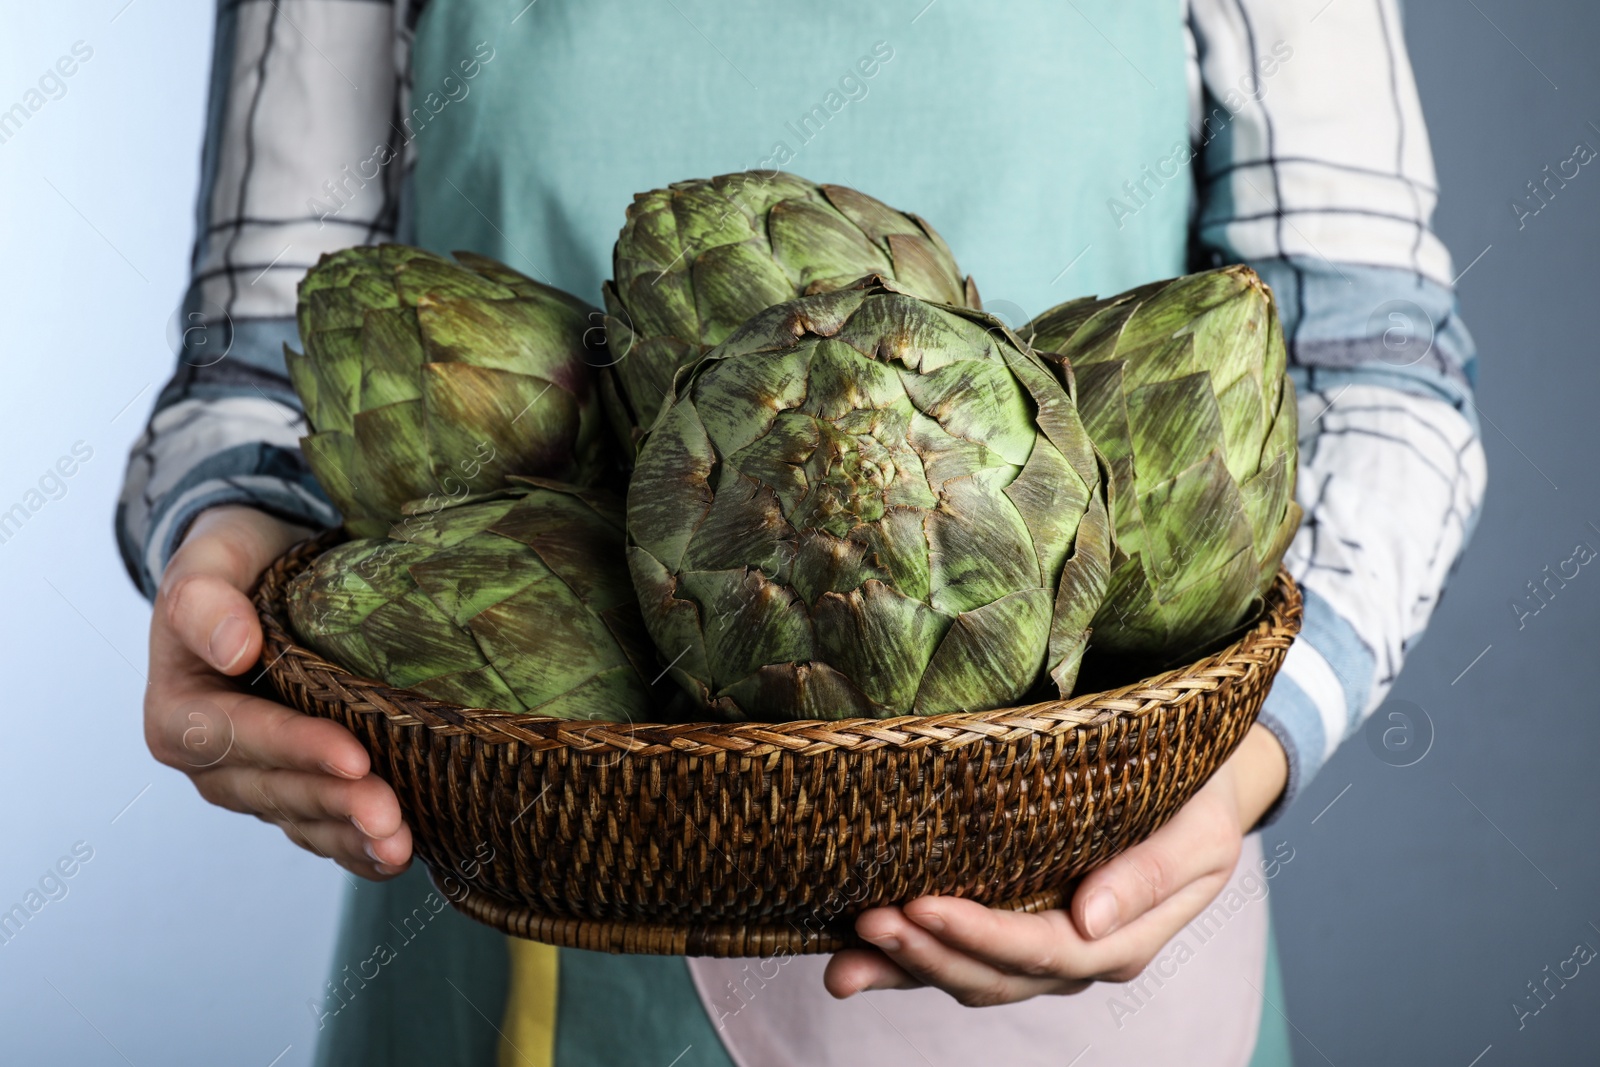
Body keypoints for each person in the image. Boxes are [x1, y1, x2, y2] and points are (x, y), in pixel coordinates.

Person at [120, 1, 1486, 1063]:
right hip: (514, 848)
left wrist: (1252, 754)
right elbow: (258, 366)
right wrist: (227, 547)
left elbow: (1374, 365)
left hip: (1083, 883)